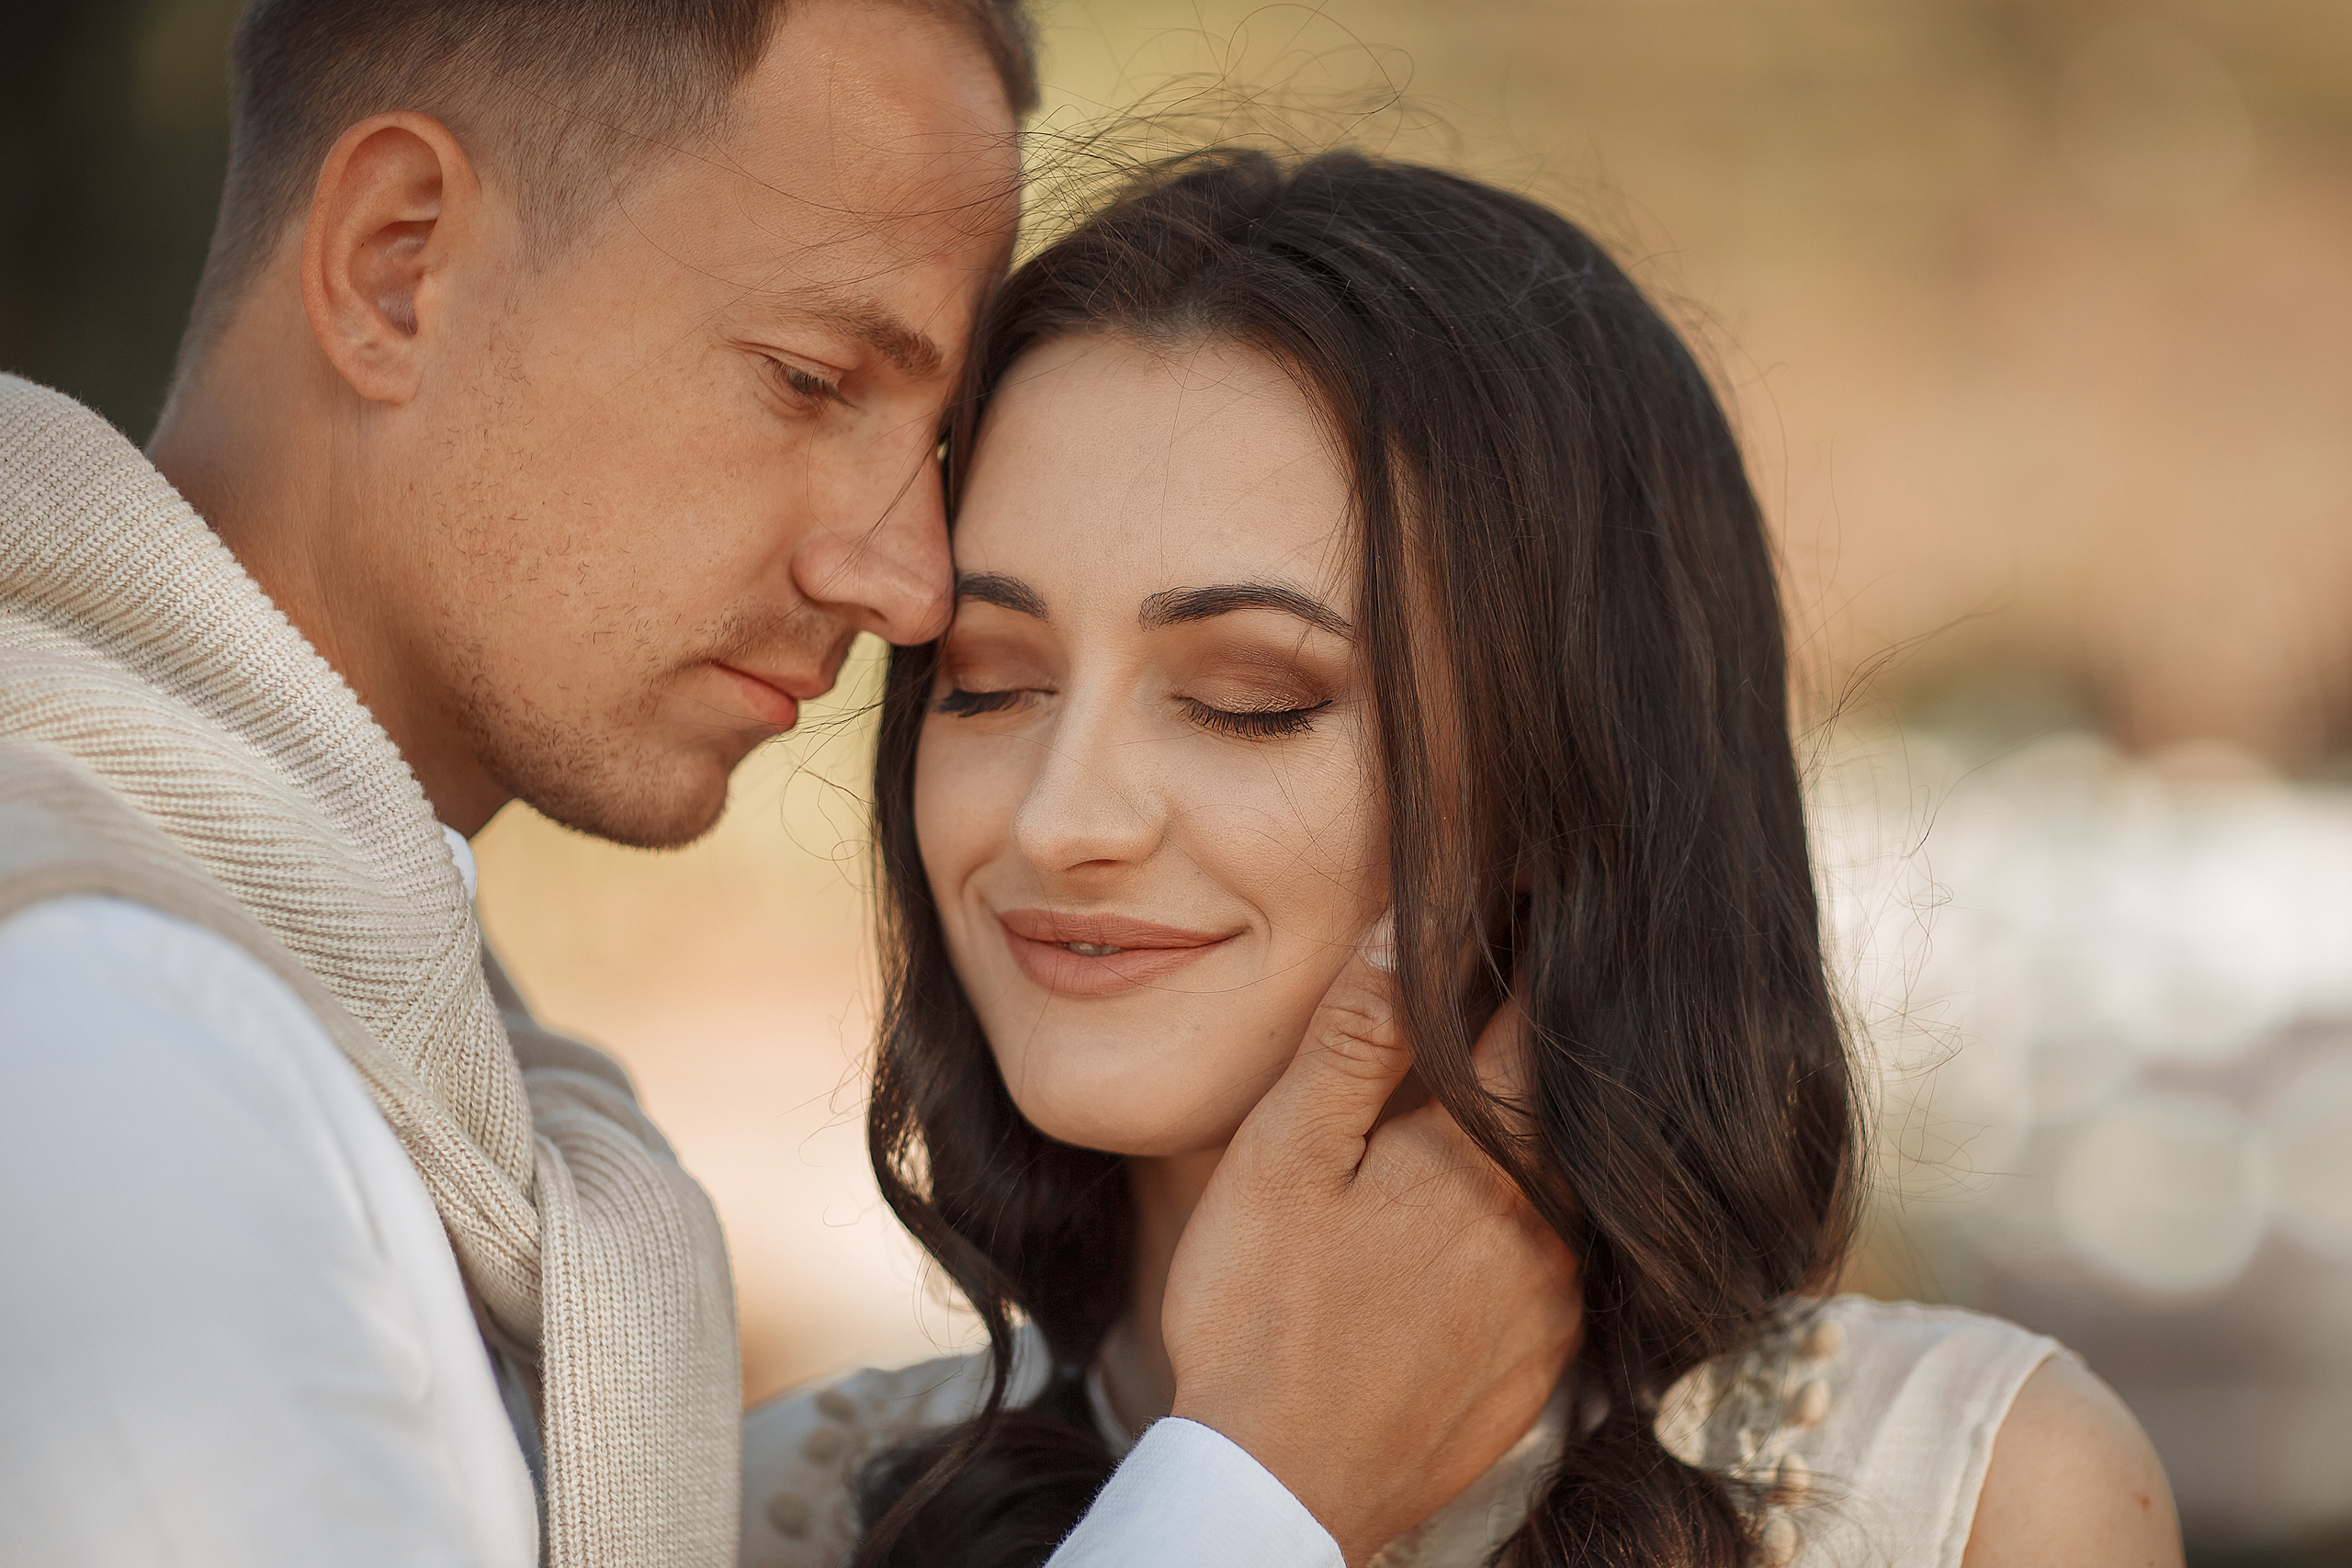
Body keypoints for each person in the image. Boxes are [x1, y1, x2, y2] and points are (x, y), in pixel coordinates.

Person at [0, 5, 1577, 1565]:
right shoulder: (100, 1014)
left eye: (935, 443)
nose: (907, 584)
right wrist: (1256, 1497)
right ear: (397, 265)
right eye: (816, 381)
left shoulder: (327, 1015)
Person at [737, 149, 2186, 1568]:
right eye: (989, 679)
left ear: (1579, 773)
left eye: (1253, 699)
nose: (1058, 820)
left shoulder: (1974, 1495)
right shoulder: (776, 1510)